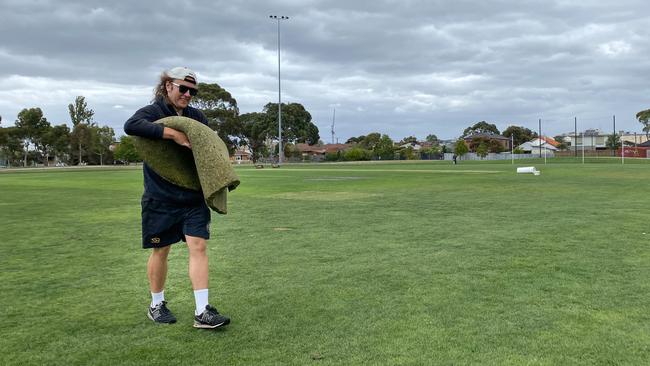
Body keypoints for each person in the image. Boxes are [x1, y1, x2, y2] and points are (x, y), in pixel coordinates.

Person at [124, 67, 230, 329]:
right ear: (168, 85)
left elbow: (209, 147)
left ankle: (202, 311)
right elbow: (131, 126)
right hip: (160, 198)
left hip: (192, 196)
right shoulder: (153, 112)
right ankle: (156, 304)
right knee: (161, 250)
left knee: (199, 247)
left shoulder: (196, 116)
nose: (187, 95)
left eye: (192, 91)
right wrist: (172, 133)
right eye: (183, 88)